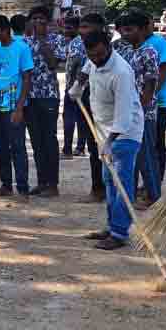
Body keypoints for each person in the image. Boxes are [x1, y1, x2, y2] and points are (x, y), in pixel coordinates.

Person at [77, 31, 143, 251]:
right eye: (91, 55)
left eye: (99, 55)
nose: (96, 59)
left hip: (124, 133)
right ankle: (111, 225)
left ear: (109, 47)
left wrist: (110, 141)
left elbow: (124, 115)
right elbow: (86, 69)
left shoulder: (121, 72)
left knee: (121, 182)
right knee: (108, 180)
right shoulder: (93, 57)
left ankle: (119, 233)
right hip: (103, 130)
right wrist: (78, 85)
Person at [113, 11, 161, 208]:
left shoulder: (149, 52)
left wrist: (139, 110)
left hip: (143, 113)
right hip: (127, 111)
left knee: (145, 156)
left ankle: (153, 195)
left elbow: (150, 85)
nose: (125, 33)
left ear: (141, 30)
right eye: (123, 30)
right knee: (129, 156)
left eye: (129, 29)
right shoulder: (124, 51)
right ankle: (128, 195)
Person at [0, 15, 33, 199]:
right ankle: (5, 184)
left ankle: (23, 188)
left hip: (13, 106)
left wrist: (20, 107)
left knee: (18, 147)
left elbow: (27, 77)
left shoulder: (22, 48)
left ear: (6, 29)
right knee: (0, 147)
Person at [23, 6, 63, 197]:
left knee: (49, 139)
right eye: (34, 19)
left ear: (48, 22)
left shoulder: (56, 40)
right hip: (29, 96)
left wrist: (42, 41)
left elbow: (54, 64)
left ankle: (53, 184)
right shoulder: (24, 43)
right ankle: (41, 181)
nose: (38, 22)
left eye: (42, 19)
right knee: (36, 141)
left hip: (48, 95)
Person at [74, 13, 108, 204]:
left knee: (108, 145)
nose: (82, 31)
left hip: (107, 100)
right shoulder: (79, 44)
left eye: (87, 27)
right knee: (94, 145)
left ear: (99, 28)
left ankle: (111, 188)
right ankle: (97, 188)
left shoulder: (111, 45)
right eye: (82, 27)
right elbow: (85, 68)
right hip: (88, 98)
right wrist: (77, 86)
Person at [145, 19, 166, 181]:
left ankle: (157, 180)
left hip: (161, 101)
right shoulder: (137, 43)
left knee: (157, 143)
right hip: (145, 101)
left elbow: (163, 70)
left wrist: (152, 95)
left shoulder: (160, 42)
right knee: (146, 144)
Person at [61, 16, 85, 157]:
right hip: (85, 85)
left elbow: (73, 63)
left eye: (69, 28)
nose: (65, 30)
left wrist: (71, 84)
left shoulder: (75, 43)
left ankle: (68, 149)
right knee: (81, 118)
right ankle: (80, 147)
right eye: (65, 27)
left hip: (75, 85)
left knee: (69, 117)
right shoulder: (83, 41)